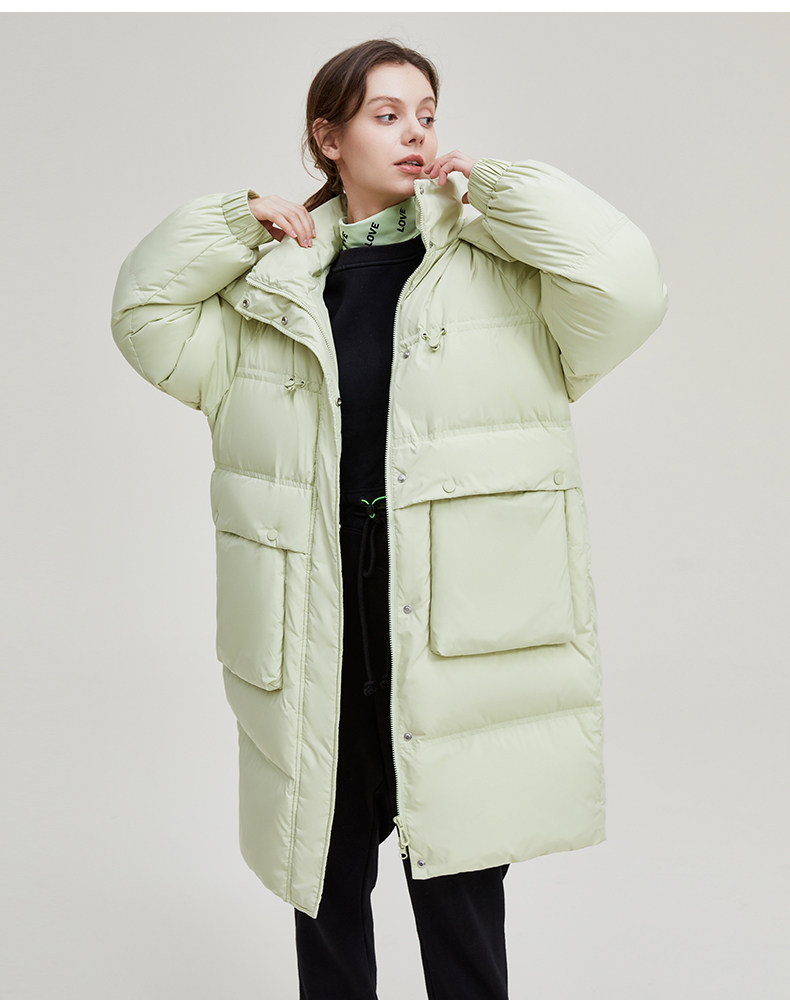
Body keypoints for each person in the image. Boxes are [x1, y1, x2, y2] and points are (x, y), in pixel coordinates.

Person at [111, 37, 668, 1000]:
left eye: (427, 114)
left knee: (460, 903)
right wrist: (232, 224)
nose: (415, 132)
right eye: (386, 114)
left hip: (450, 643)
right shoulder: (266, 296)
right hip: (317, 637)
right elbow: (144, 312)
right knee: (325, 897)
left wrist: (504, 189)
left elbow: (627, 286)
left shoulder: (501, 276)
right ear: (328, 139)